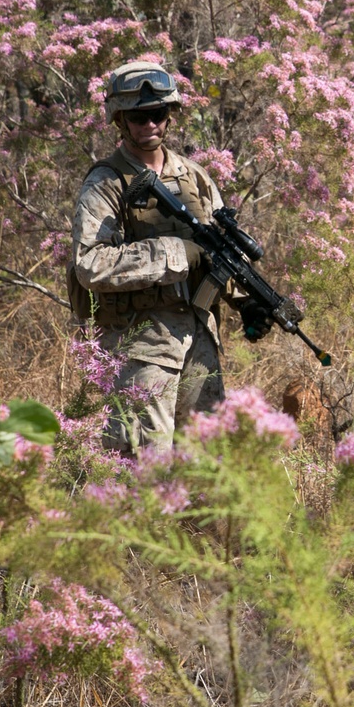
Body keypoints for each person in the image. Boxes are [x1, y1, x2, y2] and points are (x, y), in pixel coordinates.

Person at [70, 60, 231, 453]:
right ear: (120, 121)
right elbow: (91, 264)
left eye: (157, 114)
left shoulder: (193, 177)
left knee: (207, 469)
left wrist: (246, 296)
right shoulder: (106, 183)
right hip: (139, 344)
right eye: (138, 117)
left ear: (169, 116)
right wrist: (179, 253)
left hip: (198, 340)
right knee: (143, 472)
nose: (149, 125)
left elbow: (222, 251)